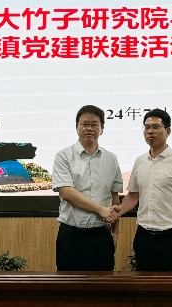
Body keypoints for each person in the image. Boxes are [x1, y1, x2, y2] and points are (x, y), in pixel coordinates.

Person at [113, 108, 172, 271]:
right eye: (147, 127)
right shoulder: (140, 161)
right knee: (144, 285)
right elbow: (133, 196)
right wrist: (118, 211)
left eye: (155, 127)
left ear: (168, 131)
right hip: (143, 237)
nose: (150, 131)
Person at [52, 105, 123, 271]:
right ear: (77, 127)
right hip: (71, 236)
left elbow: (114, 198)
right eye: (85, 124)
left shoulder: (111, 159)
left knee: (103, 285)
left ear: (102, 129)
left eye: (94, 125)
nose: (89, 128)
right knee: (69, 285)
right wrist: (100, 209)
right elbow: (66, 192)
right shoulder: (63, 156)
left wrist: (116, 232)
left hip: (102, 236)